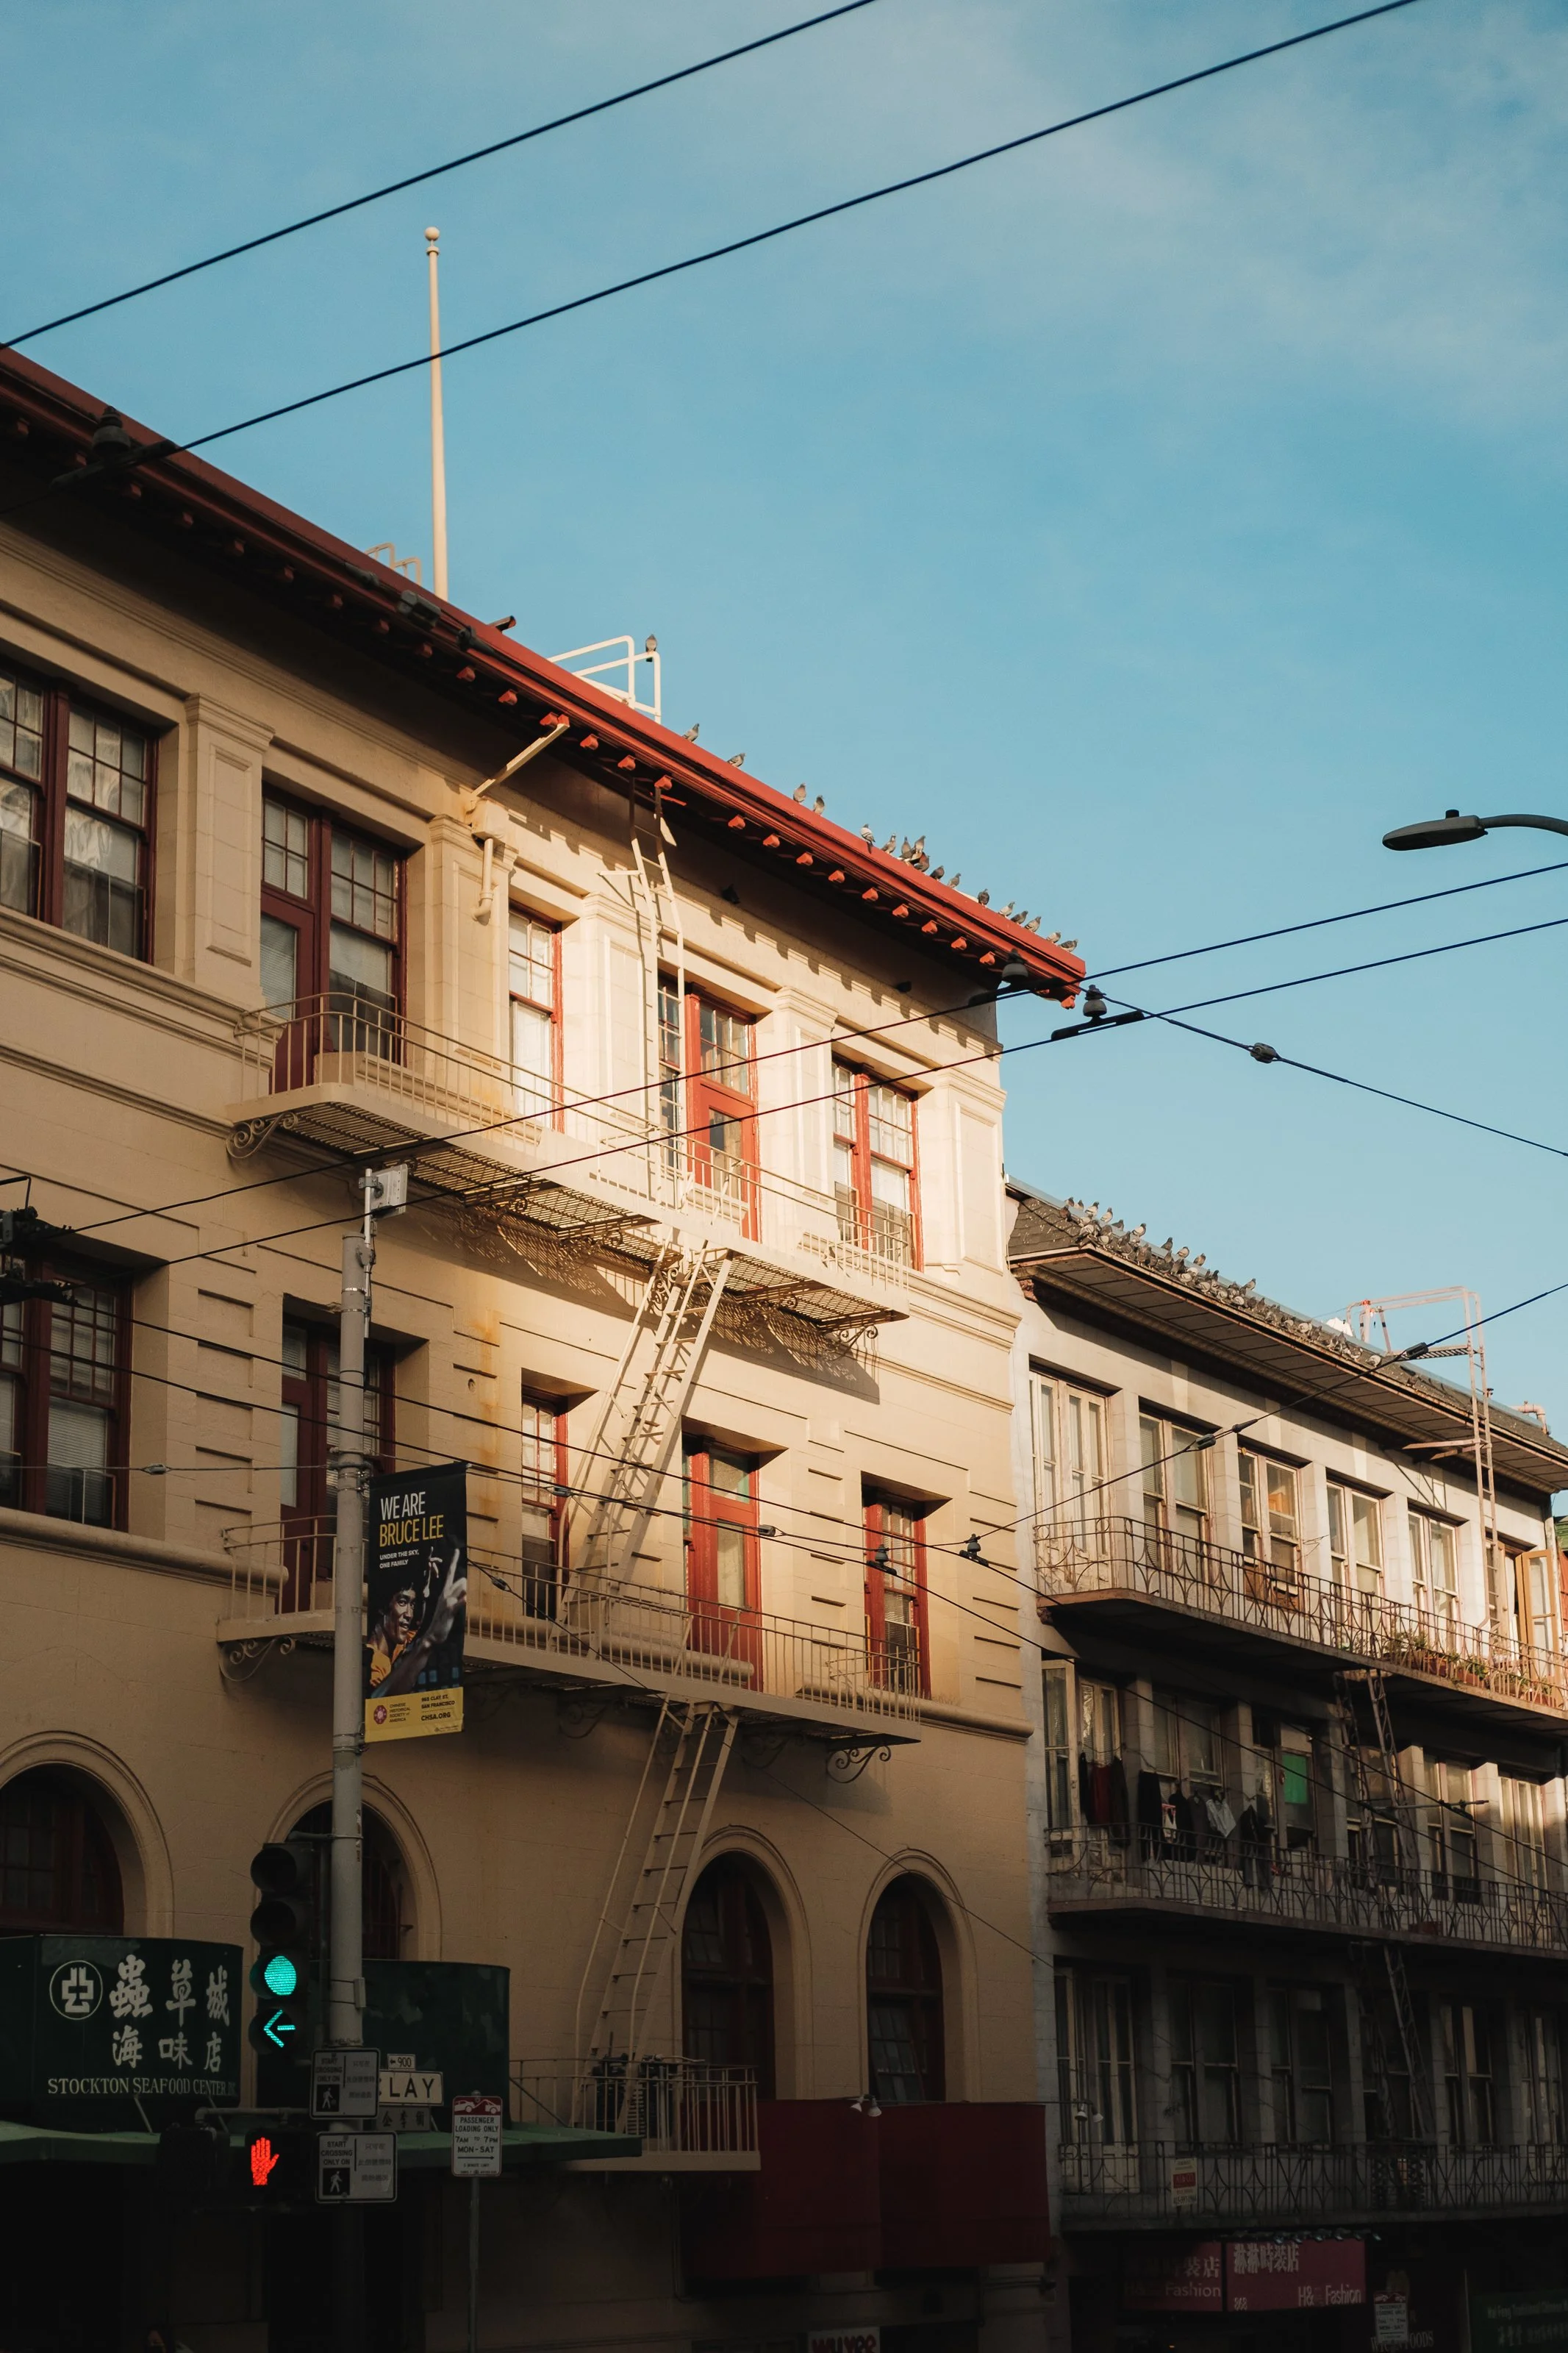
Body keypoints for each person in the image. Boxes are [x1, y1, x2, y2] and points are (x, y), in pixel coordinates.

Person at [369, 1544, 466, 1696]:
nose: (409, 1614)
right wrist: (429, 1641)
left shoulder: (402, 1641)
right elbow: (379, 1699)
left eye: (412, 1605)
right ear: (383, 1607)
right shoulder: (371, 1660)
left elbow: (425, 1617)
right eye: (402, 1602)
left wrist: (428, 1579)